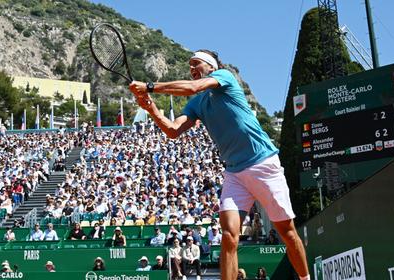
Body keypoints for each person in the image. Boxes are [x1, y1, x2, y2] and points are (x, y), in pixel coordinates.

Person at [129, 49, 310, 280]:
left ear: (211, 67)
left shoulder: (224, 76)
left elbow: (192, 87)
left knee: (287, 232)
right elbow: (173, 130)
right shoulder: (196, 104)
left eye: (197, 63)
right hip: (235, 173)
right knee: (228, 235)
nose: (192, 68)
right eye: (190, 65)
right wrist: (151, 108)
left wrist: (150, 86)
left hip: (264, 163)